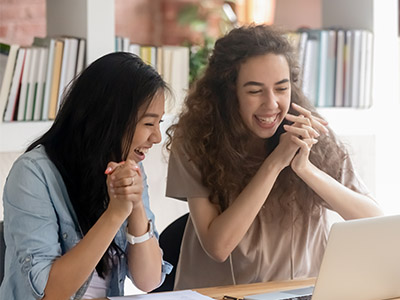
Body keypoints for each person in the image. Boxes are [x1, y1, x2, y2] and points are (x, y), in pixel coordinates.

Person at [165, 25, 383, 290]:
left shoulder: (311, 133)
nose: (271, 104)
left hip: (301, 292)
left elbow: (374, 220)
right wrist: (275, 163)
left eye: (281, 88)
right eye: (255, 91)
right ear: (228, 92)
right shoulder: (195, 141)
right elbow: (218, 246)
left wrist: (307, 170)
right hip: (219, 294)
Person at [0, 52, 172, 299]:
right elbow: (51, 293)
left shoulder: (129, 166)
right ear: (110, 119)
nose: (156, 137)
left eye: (159, 124)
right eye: (148, 124)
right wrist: (114, 214)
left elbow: (149, 280)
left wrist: (135, 206)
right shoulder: (33, 174)